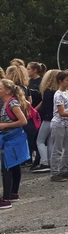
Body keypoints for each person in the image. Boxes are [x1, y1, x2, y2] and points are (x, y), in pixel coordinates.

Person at [0, 78, 30, 209]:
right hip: (12, 137)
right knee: (14, 165)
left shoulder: (12, 103)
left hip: (11, 137)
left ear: (7, 91)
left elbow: (23, 121)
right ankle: (13, 193)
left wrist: (4, 125)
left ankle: (6, 199)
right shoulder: (5, 102)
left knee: (7, 167)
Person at [32, 70, 60, 173]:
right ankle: (51, 162)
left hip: (48, 118)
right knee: (50, 141)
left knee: (40, 141)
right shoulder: (59, 91)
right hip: (56, 118)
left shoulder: (48, 91)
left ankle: (44, 162)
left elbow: (45, 106)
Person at [26, 62, 46, 169]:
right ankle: (29, 158)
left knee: (38, 136)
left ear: (35, 70)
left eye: (28, 69)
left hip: (37, 112)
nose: (26, 71)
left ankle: (39, 159)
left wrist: (35, 110)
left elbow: (43, 99)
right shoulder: (28, 81)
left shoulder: (41, 82)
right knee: (30, 136)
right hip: (29, 113)